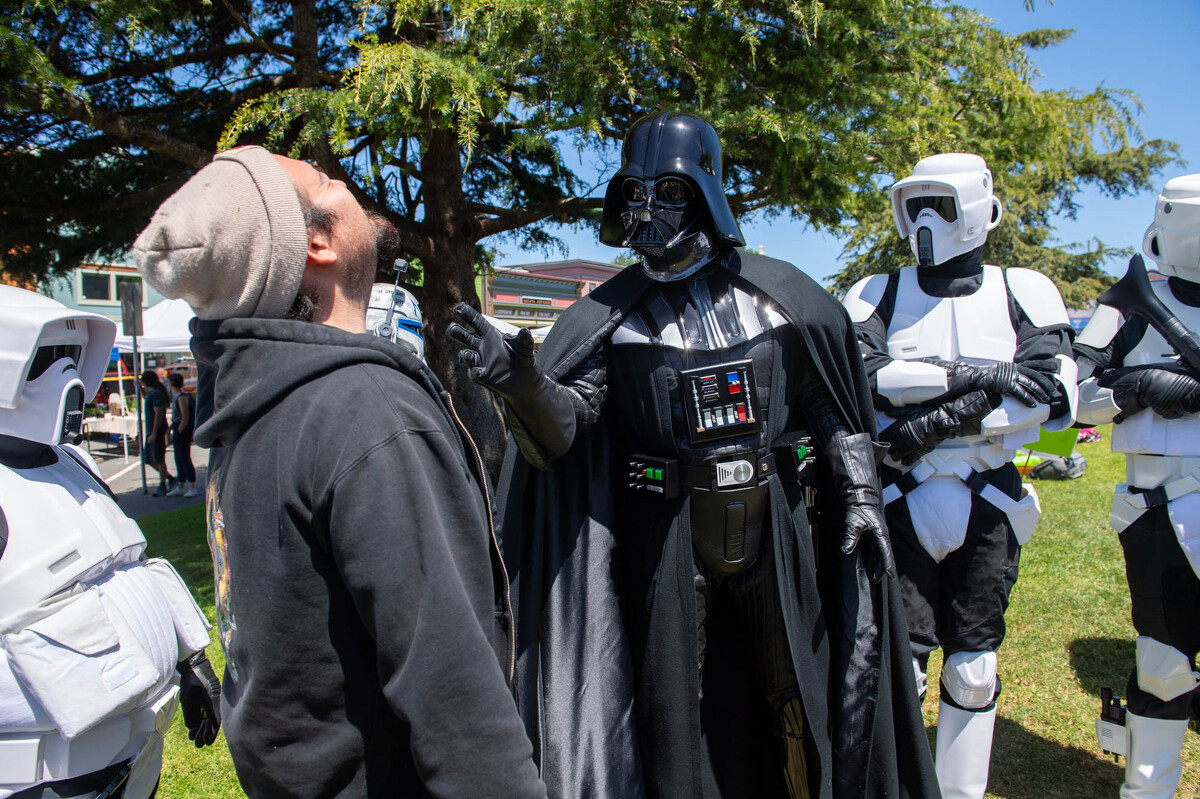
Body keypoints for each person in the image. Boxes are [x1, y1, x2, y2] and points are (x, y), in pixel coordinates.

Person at [450, 111, 938, 798]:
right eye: (636, 194)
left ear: (706, 188)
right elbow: (565, 429)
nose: (650, 211)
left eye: (670, 191)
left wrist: (859, 493)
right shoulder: (613, 319)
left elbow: (827, 399)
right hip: (668, 533)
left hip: (774, 522)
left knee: (792, 690)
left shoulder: (781, 298)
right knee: (674, 707)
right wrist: (520, 380)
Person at [133, 145, 546, 798]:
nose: (344, 182)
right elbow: (455, 697)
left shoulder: (252, 405)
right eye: (326, 182)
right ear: (319, 243)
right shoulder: (366, 411)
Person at [841, 153, 1078, 799]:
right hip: (899, 494)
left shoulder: (1022, 288)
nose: (923, 220)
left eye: (938, 203)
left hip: (986, 497)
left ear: (981, 210)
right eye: (911, 202)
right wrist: (975, 378)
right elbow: (858, 378)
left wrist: (927, 409)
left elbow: (1054, 393)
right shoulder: (874, 290)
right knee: (901, 666)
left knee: (973, 666)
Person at [0, 285, 221, 798]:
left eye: (71, 358)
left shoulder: (73, 462)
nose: (69, 378)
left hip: (134, 753)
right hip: (43, 776)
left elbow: (130, 565)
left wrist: (191, 660)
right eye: (47, 359)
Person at [1074, 173, 1200, 799]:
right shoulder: (1126, 304)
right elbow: (1067, 399)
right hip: (1156, 505)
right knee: (1162, 665)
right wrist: (1135, 388)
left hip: (1158, 504)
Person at [139, 368, 174, 495]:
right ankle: (169, 478)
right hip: (151, 430)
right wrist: (140, 388)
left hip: (156, 431)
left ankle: (163, 484)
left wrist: (154, 433)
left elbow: (158, 414)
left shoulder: (156, 394)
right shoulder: (151, 394)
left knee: (158, 459)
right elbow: (146, 398)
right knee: (149, 459)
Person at [166, 371, 197, 497]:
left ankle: (192, 486)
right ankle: (181, 483)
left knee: (184, 457)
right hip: (178, 429)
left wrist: (179, 430)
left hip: (182, 431)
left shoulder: (182, 397)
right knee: (179, 458)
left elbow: (185, 416)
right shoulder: (178, 397)